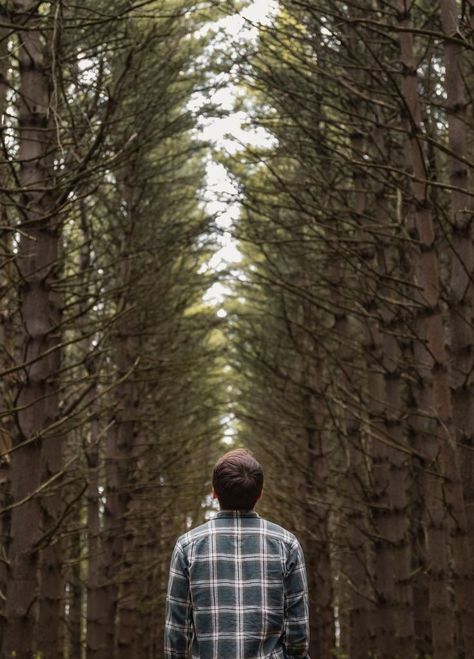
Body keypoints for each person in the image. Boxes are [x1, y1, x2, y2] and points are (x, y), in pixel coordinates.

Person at [164, 448, 310, 658]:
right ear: (260, 494)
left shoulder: (187, 546)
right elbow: (298, 633)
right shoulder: (287, 544)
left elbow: (176, 634)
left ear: (214, 491)